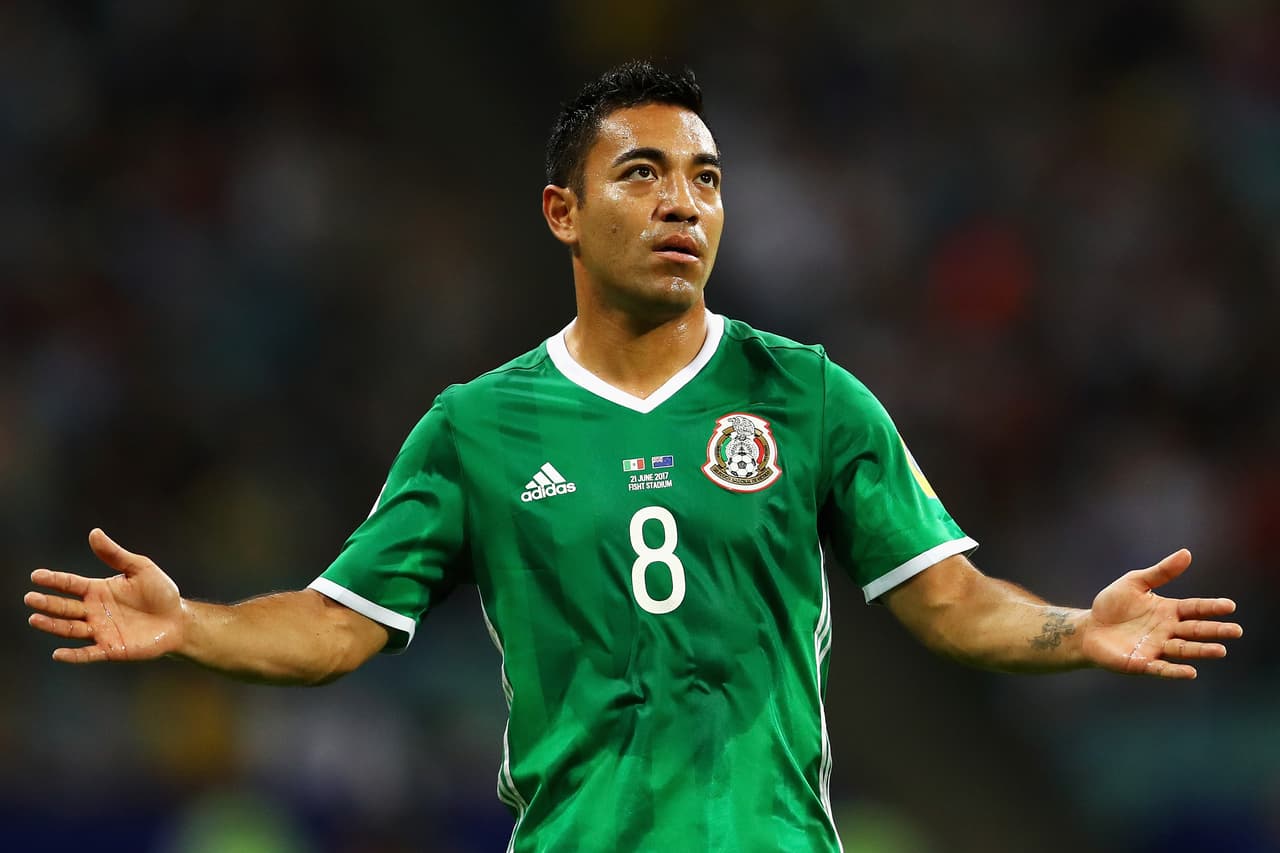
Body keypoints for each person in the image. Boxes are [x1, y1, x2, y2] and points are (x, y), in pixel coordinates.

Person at [25, 61, 1242, 852]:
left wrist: (1073, 629)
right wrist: (193, 628)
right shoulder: (477, 426)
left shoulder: (804, 392)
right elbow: (338, 629)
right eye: (643, 173)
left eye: (705, 180)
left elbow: (947, 602)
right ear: (562, 211)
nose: (683, 204)